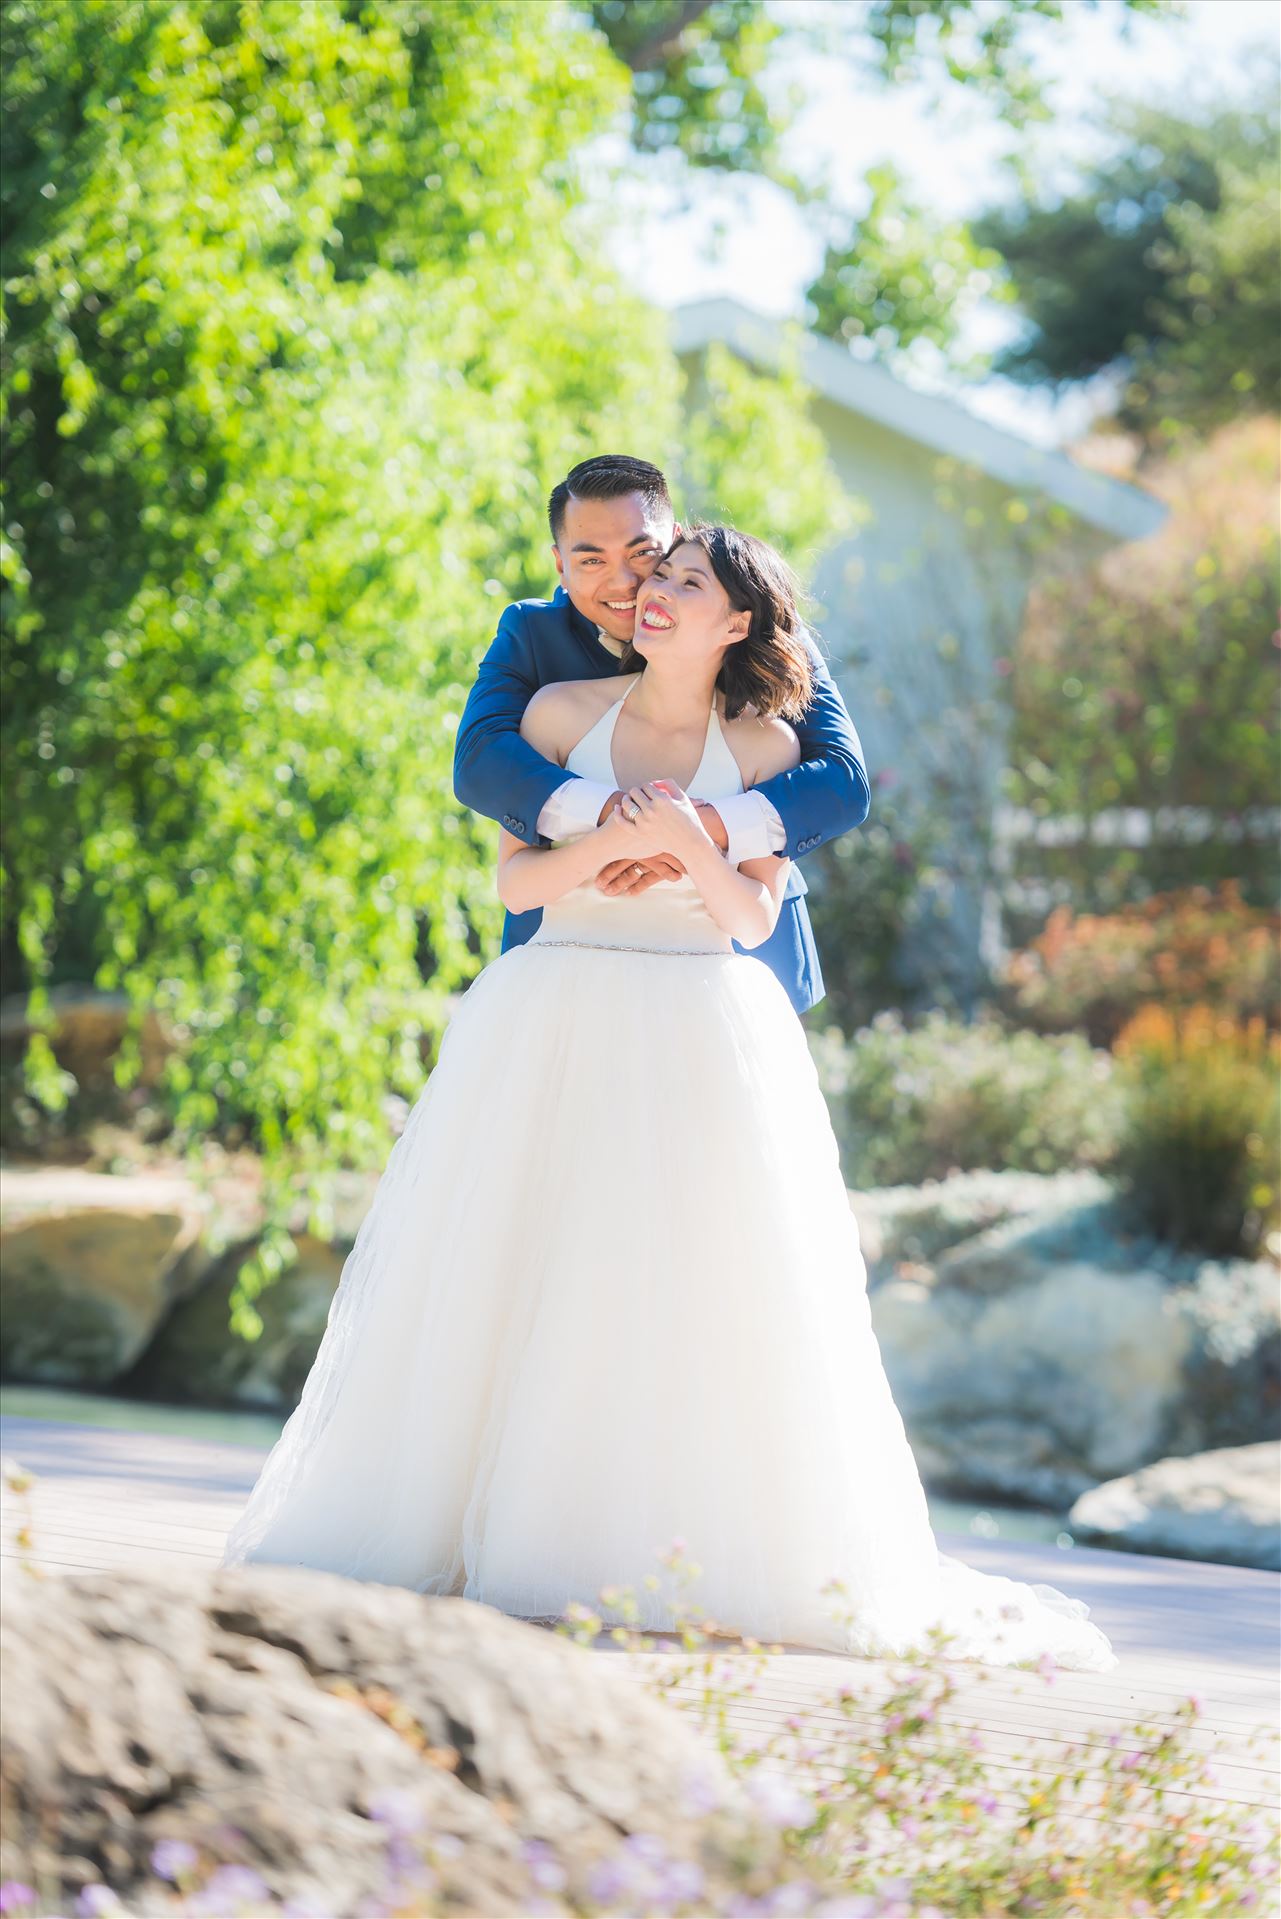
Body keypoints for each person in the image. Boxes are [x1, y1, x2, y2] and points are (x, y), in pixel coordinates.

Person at [221, 517, 1116, 1673]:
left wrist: (694, 841)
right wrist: (599, 837)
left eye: (671, 573)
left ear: (733, 616)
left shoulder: (768, 739)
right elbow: (506, 842)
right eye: (614, 565)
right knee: (519, 1255)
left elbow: (777, 874)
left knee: (693, 1277)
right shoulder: (550, 704)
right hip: (552, 1012)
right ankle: (489, 1522)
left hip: (702, 1020)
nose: (640, 586)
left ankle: (667, 1542)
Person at [452, 453, 871, 1017]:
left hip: (728, 963)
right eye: (592, 559)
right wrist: (620, 818)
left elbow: (843, 782)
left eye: (643, 553)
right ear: (560, 565)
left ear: (673, 540)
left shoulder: (770, 640)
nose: (625, 582)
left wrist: (697, 832)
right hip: (569, 957)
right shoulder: (532, 635)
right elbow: (481, 760)